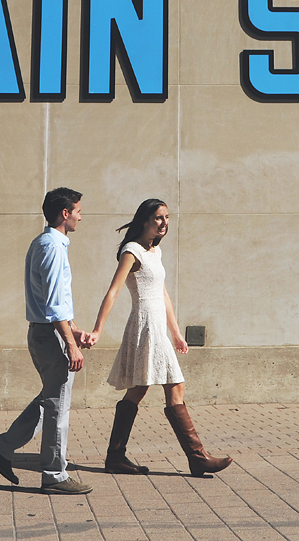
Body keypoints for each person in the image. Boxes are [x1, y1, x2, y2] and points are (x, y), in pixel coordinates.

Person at [87, 198, 232, 477]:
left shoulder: (156, 252)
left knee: (151, 389)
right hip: (144, 326)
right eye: (158, 218)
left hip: (158, 328)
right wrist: (97, 330)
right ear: (144, 220)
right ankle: (195, 457)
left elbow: (162, 293)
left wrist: (176, 332)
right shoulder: (132, 251)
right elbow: (114, 291)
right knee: (161, 387)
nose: (164, 223)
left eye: (167, 218)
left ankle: (119, 456)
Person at [0, 187, 93, 495]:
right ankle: (54, 475)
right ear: (65, 213)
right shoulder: (53, 246)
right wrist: (70, 342)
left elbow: (53, 300)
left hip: (44, 332)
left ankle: (2, 449)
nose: (81, 216)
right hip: (49, 335)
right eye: (78, 210)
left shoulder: (43, 243)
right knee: (57, 405)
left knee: (49, 399)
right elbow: (55, 303)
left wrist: (75, 330)